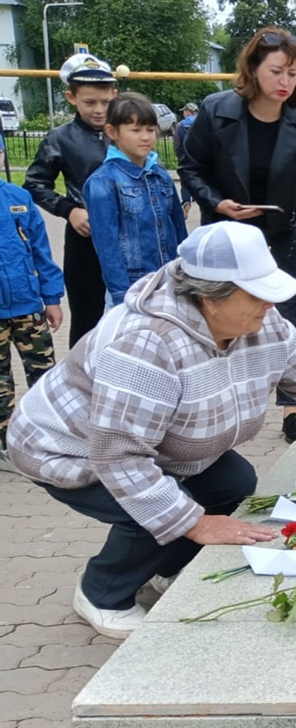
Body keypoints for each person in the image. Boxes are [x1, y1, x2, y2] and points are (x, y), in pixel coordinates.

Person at [7, 221, 296, 639]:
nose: (270, 305)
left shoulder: (264, 326)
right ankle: (102, 592)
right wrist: (195, 523)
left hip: (160, 445)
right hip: (71, 449)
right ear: (210, 296)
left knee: (233, 482)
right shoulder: (144, 343)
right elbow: (121, 458)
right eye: (256, 294)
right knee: (151, 508)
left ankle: (168, 568)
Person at [179, 27, 296, 443]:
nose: (285, 82)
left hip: (284, 235)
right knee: (219, 317)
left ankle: (291, 408)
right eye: (277, 71)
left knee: (285, 317)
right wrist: (217, 201)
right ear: (253, 69)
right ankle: (212, 404)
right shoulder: (216, 111)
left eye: (293, 74)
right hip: (227, 235)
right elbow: (191, 169)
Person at [24, 52, 115, 348]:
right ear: (71, 97)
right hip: (85, 240)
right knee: (87, 321)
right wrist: (69, 210)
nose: (99, 110)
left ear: (115, 94)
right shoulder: (60, 139)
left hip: (130, 239)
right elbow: (35, 183)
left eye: (106, 102)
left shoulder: (127, 132)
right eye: (90, 102)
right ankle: (81, 384)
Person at [83, 92, 187, 306]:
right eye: (136, 130)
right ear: (112, 132)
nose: (146, 137)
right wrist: (122, 296)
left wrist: (185, 276)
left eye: (150, 130)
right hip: (132, 287)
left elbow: (179, 230)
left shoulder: (161, 174)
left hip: (169, 282)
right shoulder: (104, 181)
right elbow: (107, 245)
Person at [0, 177, 63, 466]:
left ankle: (46, 437)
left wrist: (51, 298)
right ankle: (5, 444)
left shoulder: (19, 198)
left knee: (44, 376)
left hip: (28, 306)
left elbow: (41, 251)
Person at [172, 102, 198, 216]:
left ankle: (186, 203)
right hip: (200, 159)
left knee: (185, 183)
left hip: (185, 159)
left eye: (184, 111)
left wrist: (180, 156)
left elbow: (177, 144)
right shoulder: (201, 122)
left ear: (188, 111)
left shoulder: (180, 126)